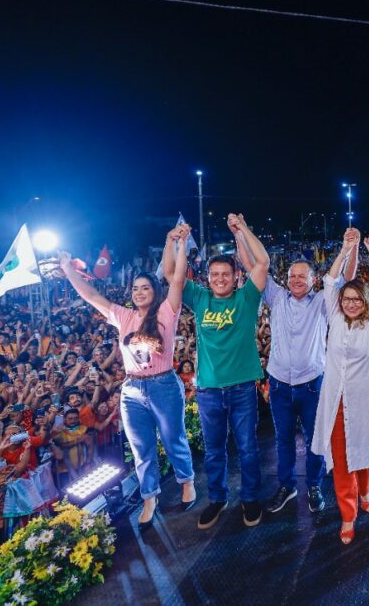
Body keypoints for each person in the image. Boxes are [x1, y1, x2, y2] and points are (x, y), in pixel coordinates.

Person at [58, 225, 196, 529]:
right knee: (141, 447)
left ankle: (187, 482)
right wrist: (68, 268)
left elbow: (178, 278)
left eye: (145, 288)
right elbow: (91, 294)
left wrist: (180, 244)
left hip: (163, 385)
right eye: (135, 289)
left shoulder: (166, 312)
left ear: (155, 292)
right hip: (132, 389)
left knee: (173, 440)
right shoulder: (123, 316)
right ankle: (150, 497)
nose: (139, 292)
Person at [164, 215, 269, 530]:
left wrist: (243, 229)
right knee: (213, 451)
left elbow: (261, 263)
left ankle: (250, 498)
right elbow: (172, 274)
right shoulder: (200, 298)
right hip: (209, 390)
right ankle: (218, 498)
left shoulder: (246, 299)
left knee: (248, 448)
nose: (220, 279)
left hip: (242, 390)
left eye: (226, 273)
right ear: (207, 278)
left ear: (237, 276)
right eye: (214, 274)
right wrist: (173, 241)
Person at [260, 231, 357, 515]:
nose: (296, 281)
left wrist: (347, 249)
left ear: (314, 279)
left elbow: (344, 278)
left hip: (313, 383)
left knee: (317, 438)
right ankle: (287, 486)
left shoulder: (322, 302)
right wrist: (240, 232)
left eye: (302, 276)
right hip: (279, 383)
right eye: (292, 276)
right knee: (283, 438)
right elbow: (256, 266)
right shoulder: (276, 297)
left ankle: (314, 485)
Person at [310, 229, 369, 544]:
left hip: (364, 399)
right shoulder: (334, 315)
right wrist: (345, 250)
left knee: (364, 452)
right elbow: (330, 281)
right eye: (347, 298)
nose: (351, 303)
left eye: (357, 298)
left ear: (365, 301)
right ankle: (347, 514)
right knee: (342, 459)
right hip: (336, 400)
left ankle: (366, 490)